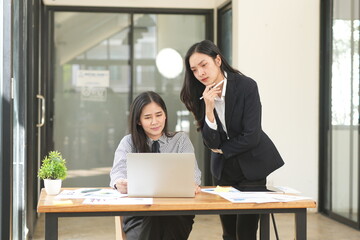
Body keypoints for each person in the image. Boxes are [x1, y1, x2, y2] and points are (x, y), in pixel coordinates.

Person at [180, 40, 284, 240]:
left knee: (246, 233)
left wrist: (223, 149)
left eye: (204, 64)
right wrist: (209, 108)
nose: (200, 73)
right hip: (223, 171)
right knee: (228, 233)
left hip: (252, 167)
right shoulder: (199, 94)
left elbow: (252, 135)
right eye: (194, 69)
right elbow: (210, 143)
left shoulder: (246, 86)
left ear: (217, 60)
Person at [110, 91, 202, 240]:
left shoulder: (180, 140)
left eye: (158, 115)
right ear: (138, 121)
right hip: (139, 214)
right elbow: (117, 173)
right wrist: (119, 183)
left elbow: (194, 174)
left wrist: (191, 184)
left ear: (165, 115)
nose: (155, 122)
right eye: (147, 117)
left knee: (166, 219)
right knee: (153, 217)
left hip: (175, 212)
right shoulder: (128, 142)